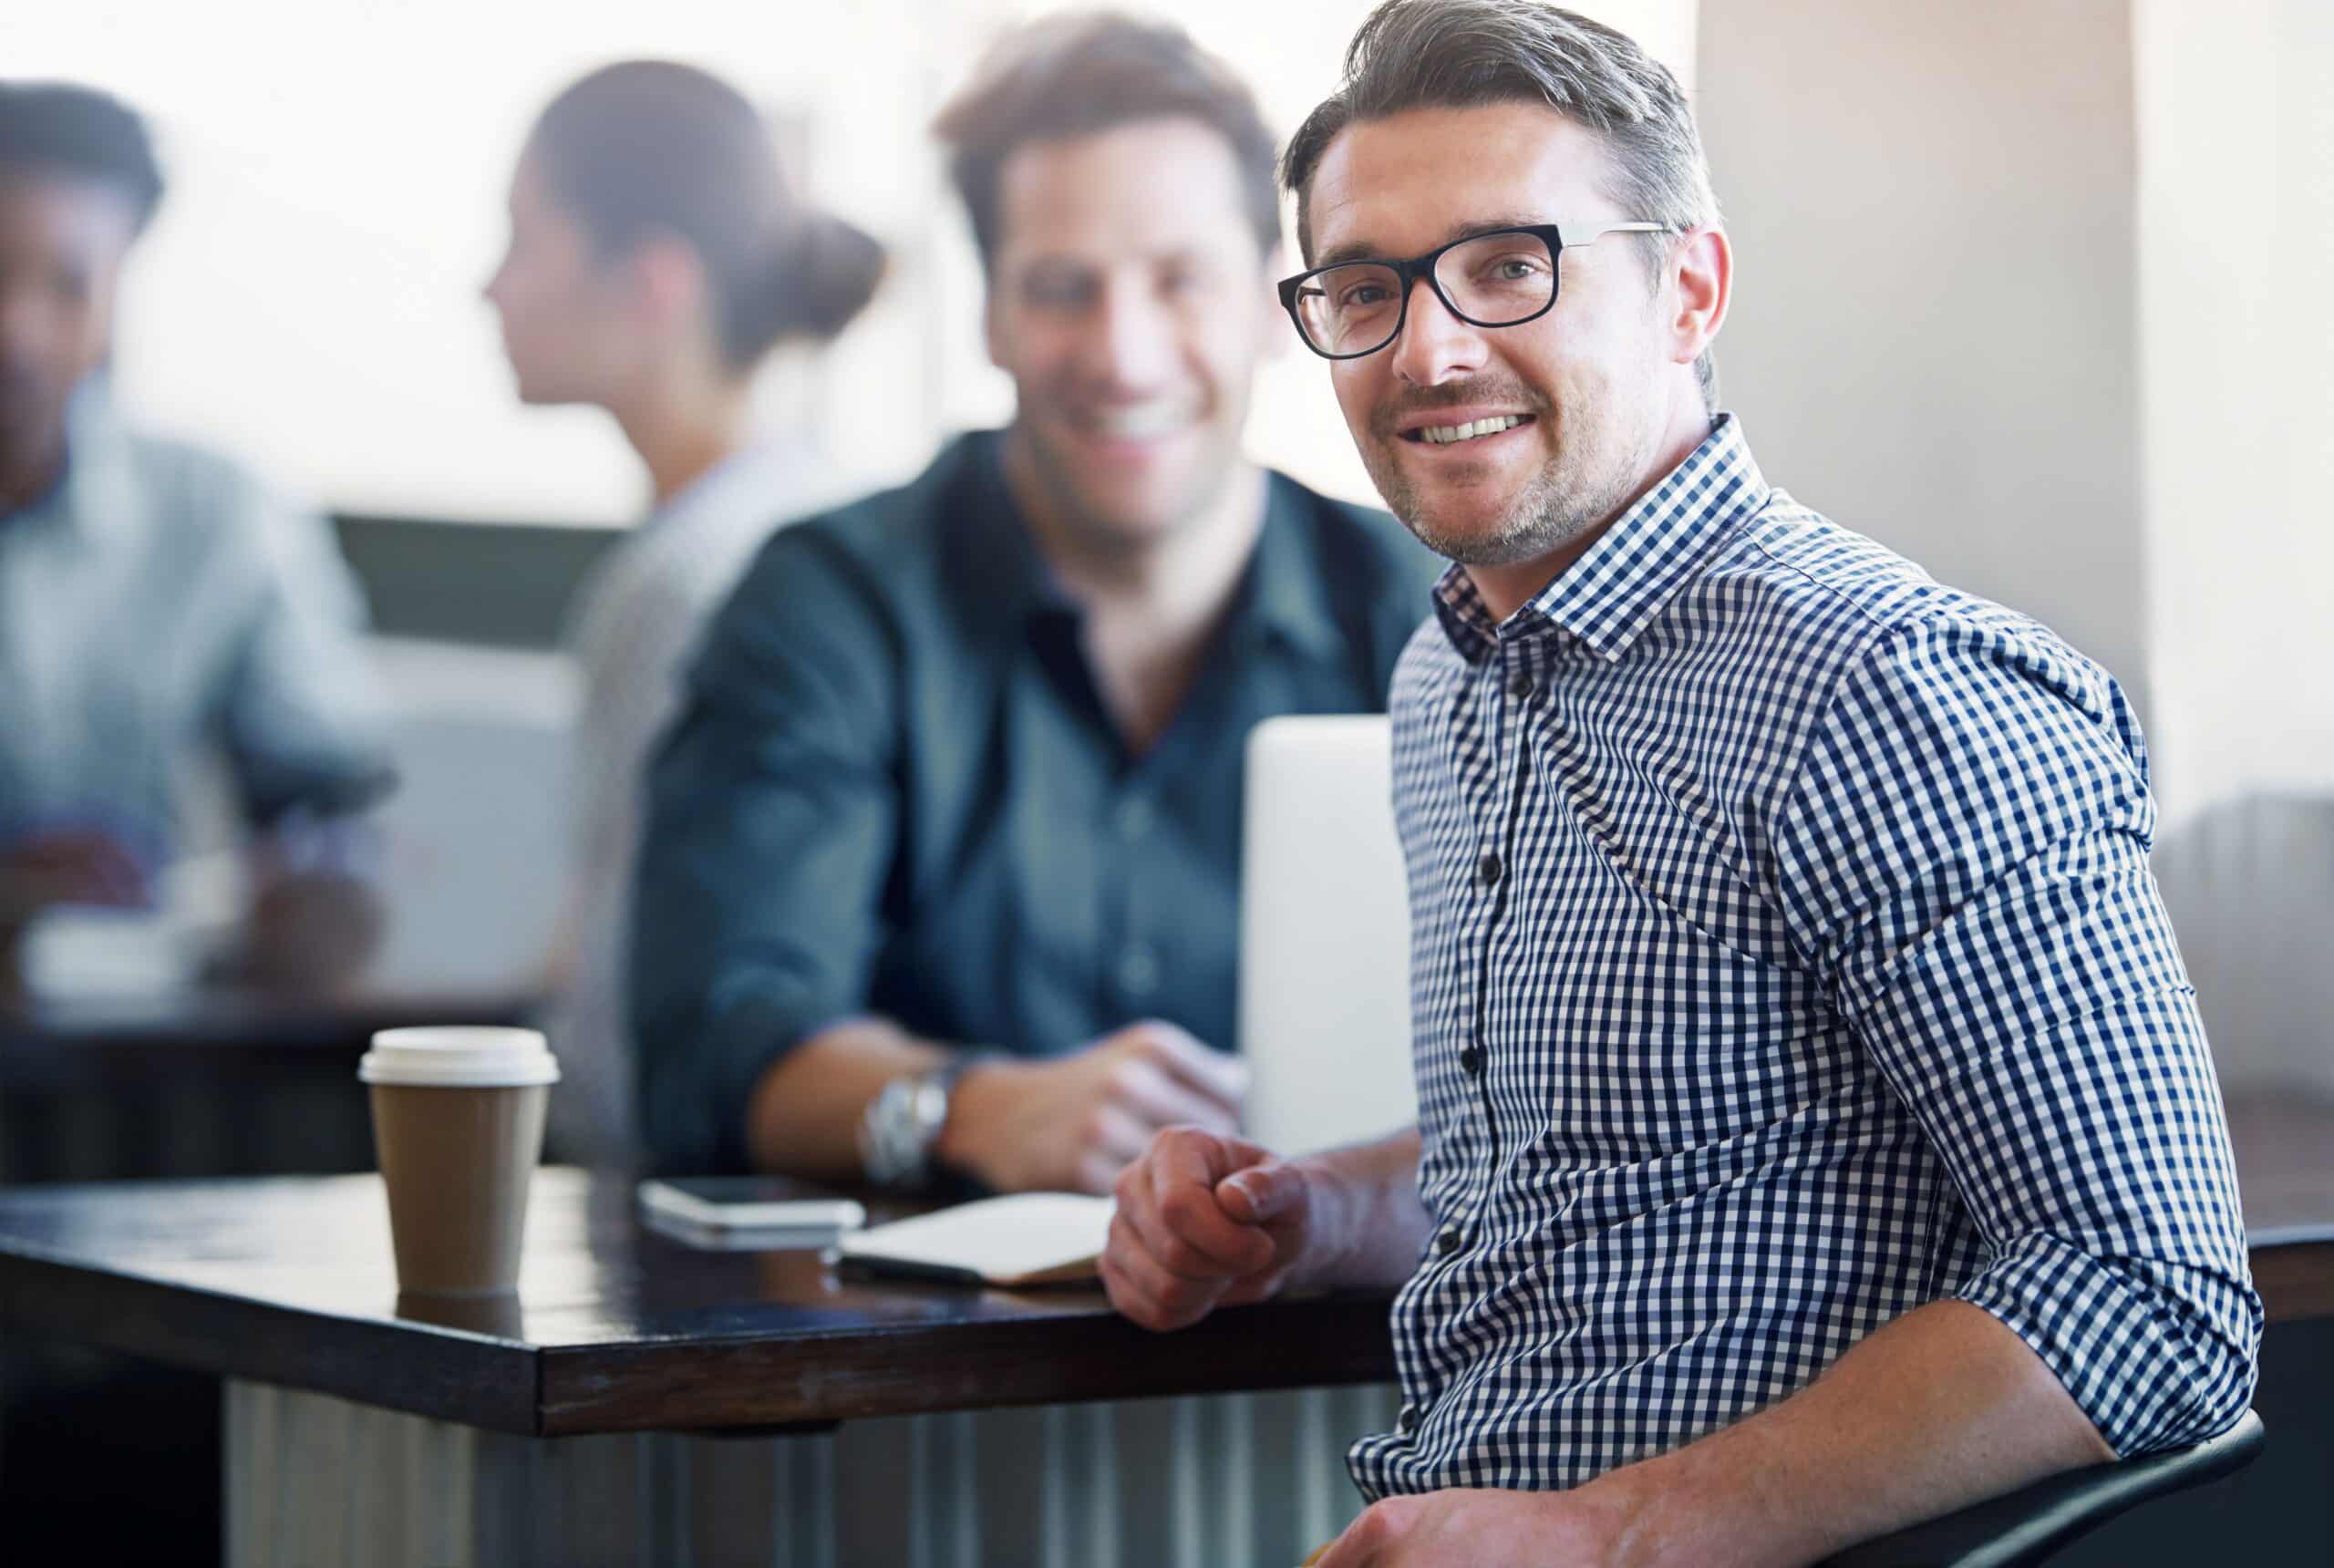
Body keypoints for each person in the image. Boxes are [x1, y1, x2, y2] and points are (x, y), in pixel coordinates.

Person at [1100, 4, 2262, 1563]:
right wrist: (1311, 1216)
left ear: (1690, 289)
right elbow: (1585, 1169)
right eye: (1367, 288)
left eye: (1511, 265)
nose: (1430, 349)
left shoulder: (1895, 693)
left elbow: (2151, 1300)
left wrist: (1609, 1538)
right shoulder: (1450, 675)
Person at [630, 14, 1441, 1187]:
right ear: (992, 321)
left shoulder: (1419, 605)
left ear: (1276, 306)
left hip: (1336, 1339)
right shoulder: (826, 605)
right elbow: (712, 1044)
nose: (1123, 351)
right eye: (1062, 290)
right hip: (916, 1353)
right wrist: (968, 1109)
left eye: (1180, 280)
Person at [484, 60, 885, 1165]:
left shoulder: (696, 582)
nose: (491, 287)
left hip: (658, 1202)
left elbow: (620, 1014)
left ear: (652, 283)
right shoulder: (808, 524)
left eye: (522, 238)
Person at [0, 82, 393, 990]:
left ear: (119, 287)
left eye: (68, 284)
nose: (17, 330)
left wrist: (309, 884)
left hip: (138, 1053)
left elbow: (329, 801)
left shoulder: (218, 513)